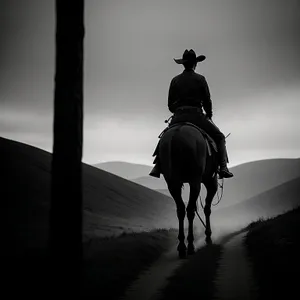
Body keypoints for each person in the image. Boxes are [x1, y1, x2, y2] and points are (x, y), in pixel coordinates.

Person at [149, 49, 234, 179]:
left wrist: (178, 110)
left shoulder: (175, 80)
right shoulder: (200, 79)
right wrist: (209, 114)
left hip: (178, 117)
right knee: (220, 137)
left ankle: (158, 165)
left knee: (164, 137)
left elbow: (170, 105)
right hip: (197, 116)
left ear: (183, 64)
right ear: (195, 64)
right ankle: (223, 167)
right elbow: (207, 100)